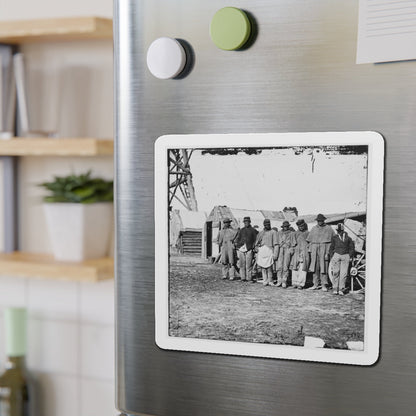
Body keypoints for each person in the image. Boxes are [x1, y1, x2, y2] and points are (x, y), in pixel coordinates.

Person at [307, 214, 335, 291]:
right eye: (318, 221)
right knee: (315, 267)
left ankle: (324, 285)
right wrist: (310, 250)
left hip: (324, 249)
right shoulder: (313, 228)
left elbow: (333, 241)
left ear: (323, 220)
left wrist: (328, 252)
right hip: (314, 250)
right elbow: (309, 241)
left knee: (324, 268)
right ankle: (315, 284)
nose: (320, 222)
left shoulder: (329, 229)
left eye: (321, 221)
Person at [329, 223, 355, 295]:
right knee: (335, 272)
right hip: (336, 255)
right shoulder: (334, 238)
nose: (339, 232)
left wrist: (349, 256)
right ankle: (335, 288)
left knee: (344, 273)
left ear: (343, 230)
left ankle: (341, 289)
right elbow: (331, 247)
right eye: (338, 230)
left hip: (345, 256)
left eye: (340, 230)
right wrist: (332, 256)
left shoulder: (348, 238)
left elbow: (351, 248)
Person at [255, 219, 279, 286]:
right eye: (265, 225)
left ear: (270, 224)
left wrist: (275, 254)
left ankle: (270, 280)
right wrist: (256, 248)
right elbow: (256, 243)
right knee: (263, 267)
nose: (267, 226)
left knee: (269, 267)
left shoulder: (273, 232)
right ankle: (265, 280)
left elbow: (276, 244)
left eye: (268, 224)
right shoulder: (261, 233)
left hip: (269, 250)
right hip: (262, 251)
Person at [234, 217, 258, 282]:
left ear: (249, 222)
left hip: (249, 248)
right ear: (244, 223)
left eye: (247, 222)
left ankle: (249, 278)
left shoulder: (253, 230)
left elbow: (256, 239)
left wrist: (253, 246)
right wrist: (237, 244)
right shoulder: (241, 230)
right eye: (245, 222)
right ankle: (243, 277)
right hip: (241, 249)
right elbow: (238, 238)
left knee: (249, 264)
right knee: (242, 264)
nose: (246, 223)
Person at [275, 220, 295, 288]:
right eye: (284, 226)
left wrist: (291, 250)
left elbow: (293, 244)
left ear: (288, 226)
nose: (285, 227)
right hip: (280, 249)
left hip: (287, 249)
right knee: (279, 265)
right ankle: (279, 280)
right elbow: (276, 243)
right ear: (282, 227)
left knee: (286, 266)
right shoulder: (279, 233)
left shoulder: (291, 233)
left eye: (287, 226)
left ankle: (284, 281)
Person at [291, 219, 310, 290]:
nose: (301, 227)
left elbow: (310, 243)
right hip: (296, 252)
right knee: (295, 267)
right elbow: (293, 244)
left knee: (303, 268)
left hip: (305, 252)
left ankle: (301, 284)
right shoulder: (295, 234)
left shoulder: (308, 233)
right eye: (299, 226)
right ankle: (295, 282)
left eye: (302, 226)